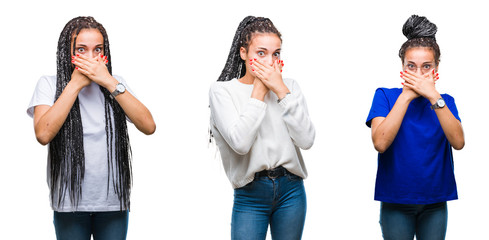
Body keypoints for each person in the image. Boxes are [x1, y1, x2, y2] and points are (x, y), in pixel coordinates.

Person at [27, 16, 156, 240]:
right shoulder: (49, 83)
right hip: (69, 203)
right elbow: (43, 134)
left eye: (98, 49)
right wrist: (75, 84)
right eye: (81, 49)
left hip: (113, 202)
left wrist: (109, 82)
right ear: (67, 52)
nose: (91, 57)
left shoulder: (116, 83)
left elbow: (148, 126)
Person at [209, 16, 315, 240]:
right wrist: (259, 91)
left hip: (292, 191)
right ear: (243, 53)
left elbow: (306, 140)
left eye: (276, 54)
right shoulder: (222, 91)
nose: (269, 61)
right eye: (261, 53)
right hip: (250, 194)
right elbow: (240, 143)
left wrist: (281, 92)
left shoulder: (290, 88)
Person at [366, 15, 464, 240]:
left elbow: (458, 142)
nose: (419, 74)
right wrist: (405, 97)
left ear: (436, 68)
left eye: (426, 67)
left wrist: (433, 96)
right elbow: (380, 143)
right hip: (396, 200)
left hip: (435, 202)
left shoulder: (444, 102)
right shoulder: (385, 96)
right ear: (402, 67)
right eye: (411, 66)